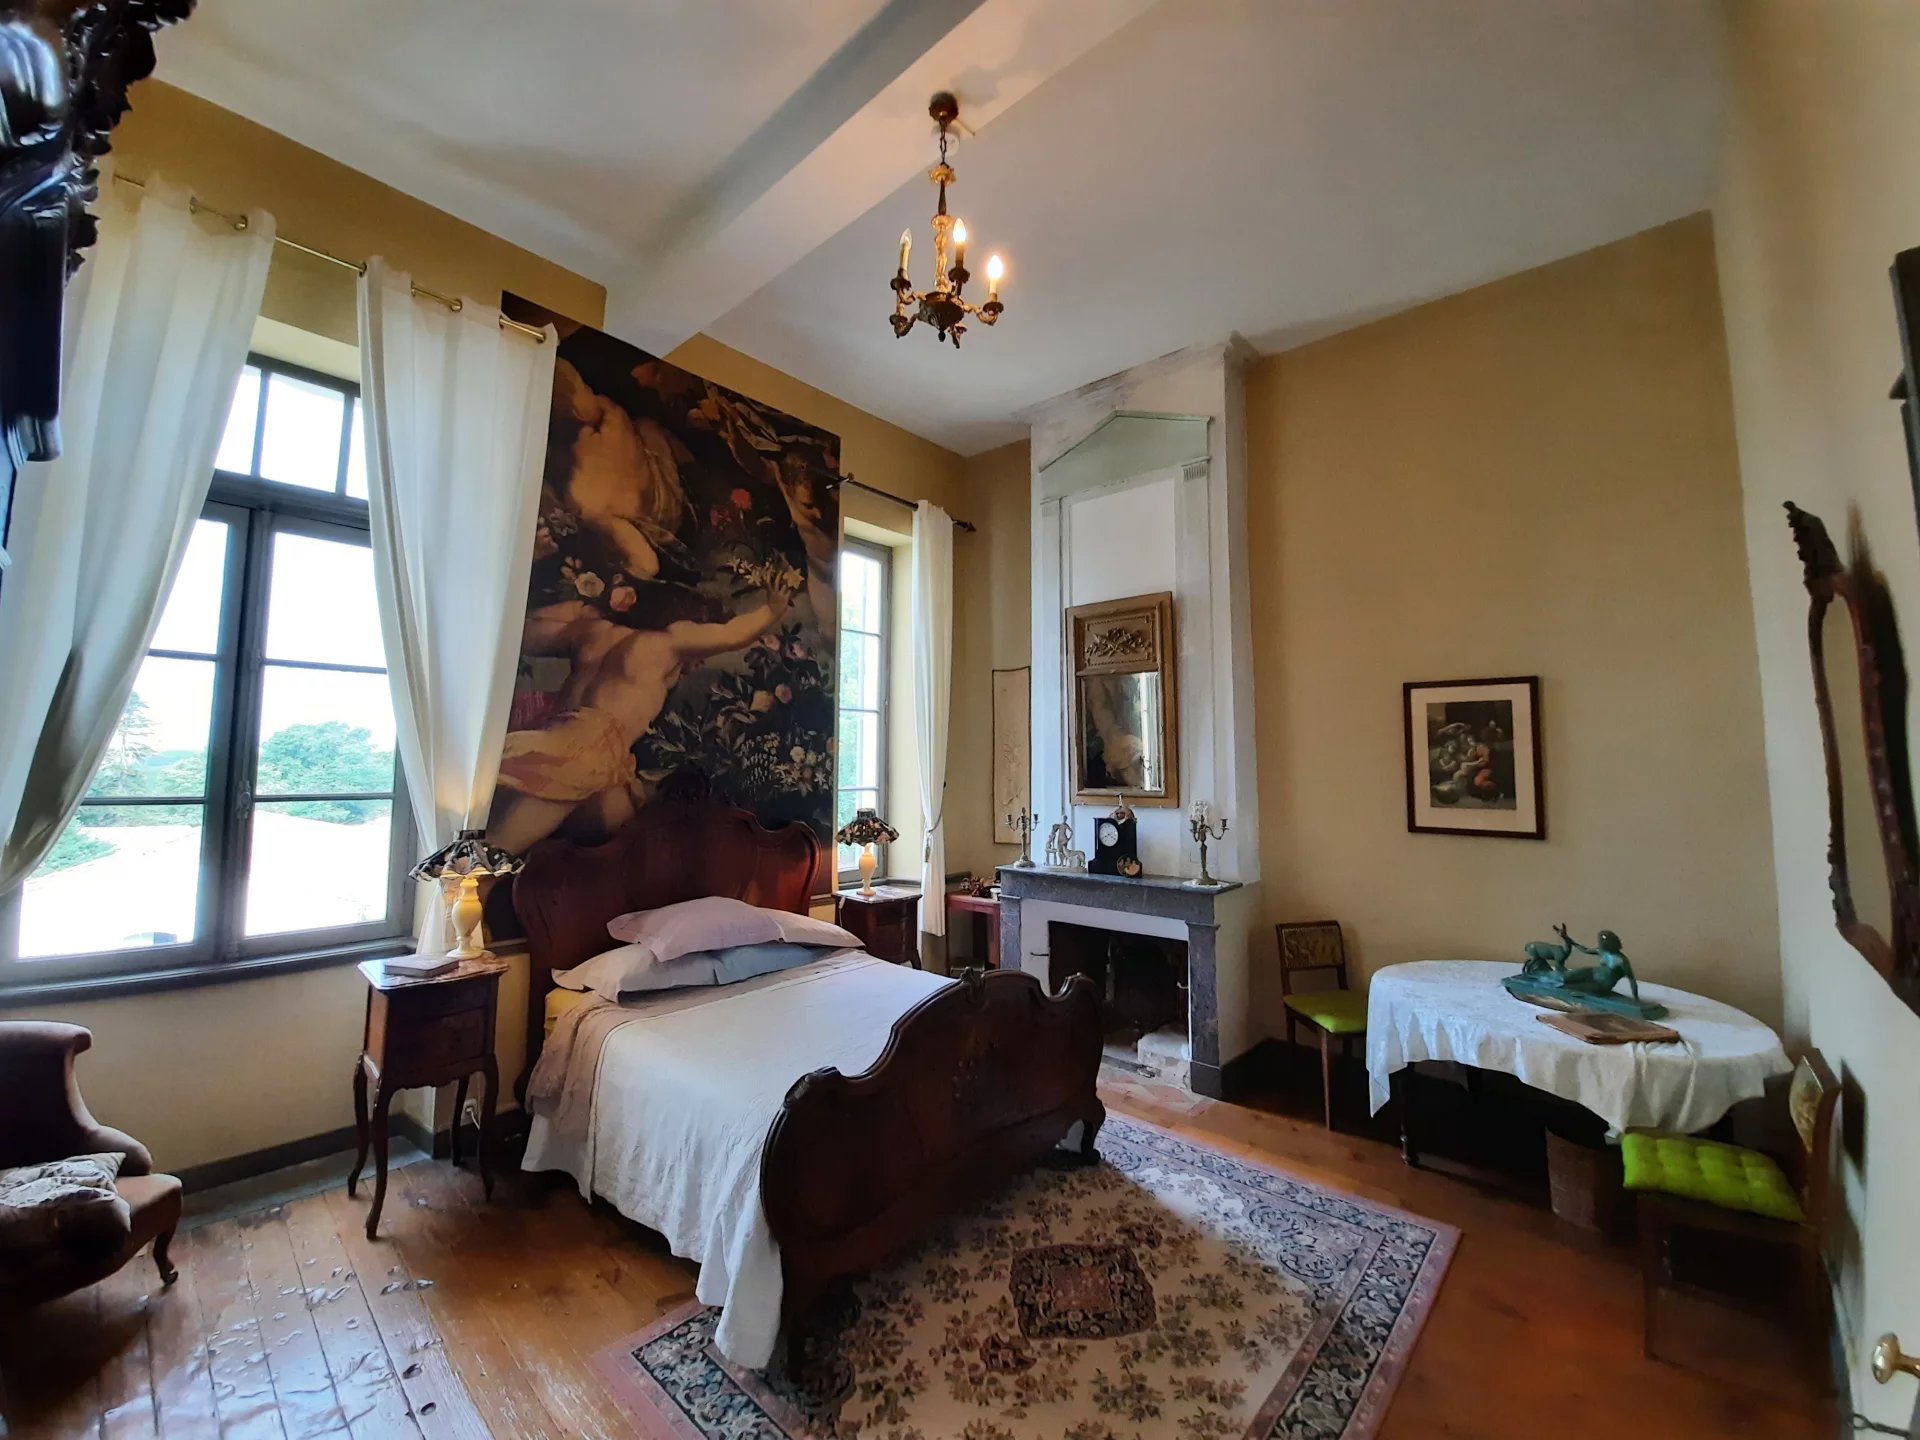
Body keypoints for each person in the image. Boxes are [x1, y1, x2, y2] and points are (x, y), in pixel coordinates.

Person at [489, 570, 799, 854]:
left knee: (624, 848)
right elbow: (732, 635)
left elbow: (528, 635)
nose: (700, 659)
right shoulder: (668, 642)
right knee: (498, 850)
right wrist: (772, 610)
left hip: (577, 743)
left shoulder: (595, 631)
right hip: (590, 747)